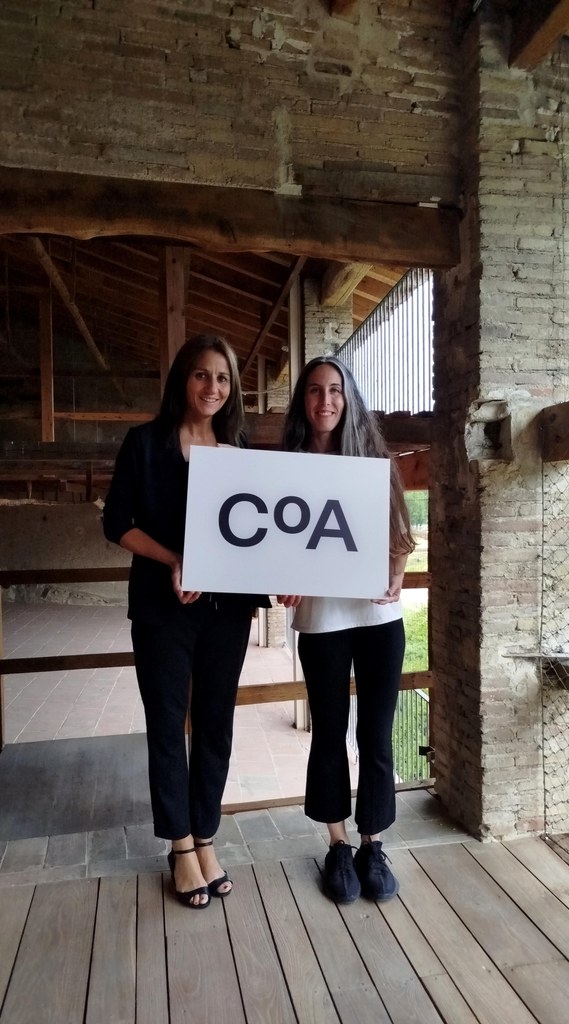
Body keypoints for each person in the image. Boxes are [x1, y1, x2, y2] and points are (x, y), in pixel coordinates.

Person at [103, 333, 269, 909]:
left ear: (232, 388)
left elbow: (257, 529)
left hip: (228, 611)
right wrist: (174, 560)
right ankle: (178, 847)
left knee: (217, 725)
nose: (212, 387)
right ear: (182, 378)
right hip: (161, 609)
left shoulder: (238, 448)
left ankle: (205, 838)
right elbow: (116, 523)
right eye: (202, 374)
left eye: (222, 378)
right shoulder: (145, 443)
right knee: (168, 725)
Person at [277, 355, 414, 905]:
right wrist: (280, 579)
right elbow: (274, 545)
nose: (325, 400)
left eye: (335, 390)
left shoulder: (374, 462)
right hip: (321, 620)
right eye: (315, 390)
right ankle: (337, 844)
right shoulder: (287, 468)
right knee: (329, 733)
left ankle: (372, 844)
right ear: (303, 401)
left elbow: (400, 534)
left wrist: (397, 574)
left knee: (376, 735)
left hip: (378, 619)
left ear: (349, 398)